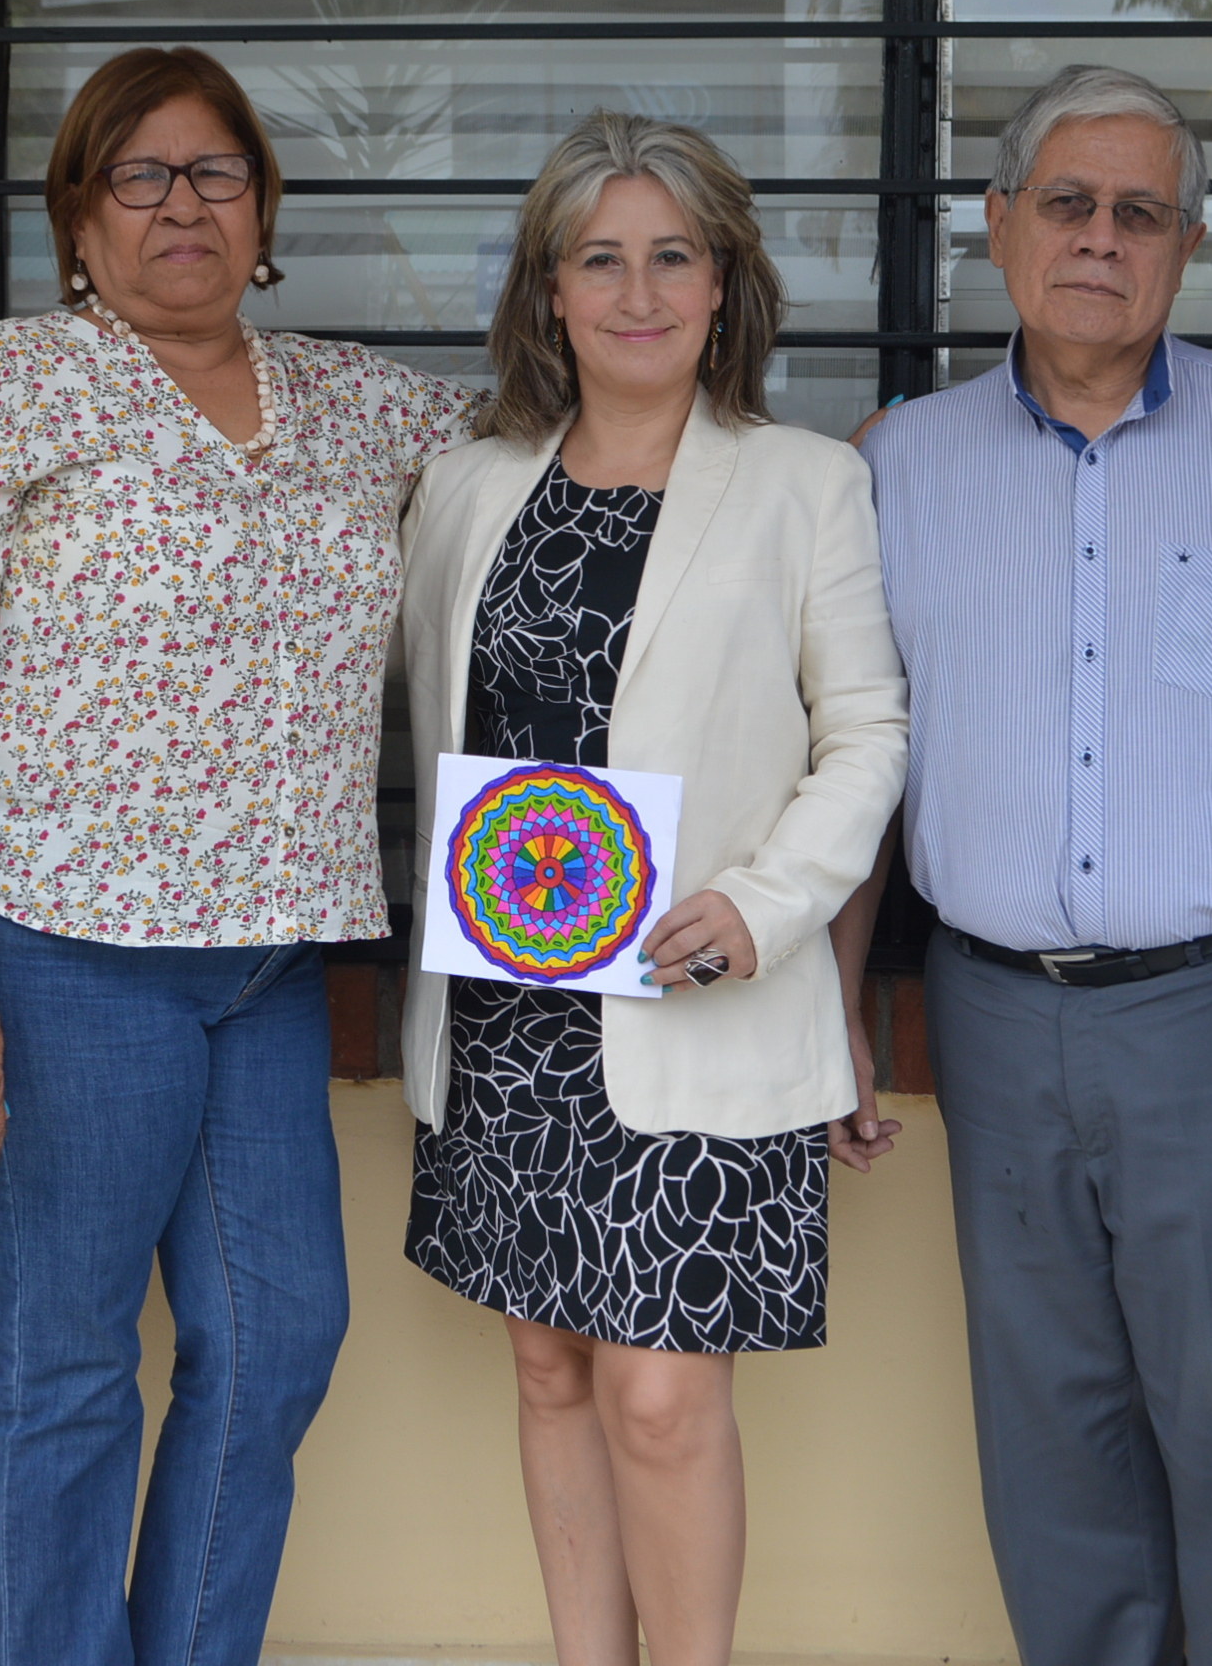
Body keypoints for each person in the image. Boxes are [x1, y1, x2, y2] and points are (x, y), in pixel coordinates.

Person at [0, 43, 479, 1666]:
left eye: (214, 172)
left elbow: (567, 453)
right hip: (66, 960)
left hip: (267, 966)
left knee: (276, 1347)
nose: (180, 203)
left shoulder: (355, 402)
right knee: (62, 1368)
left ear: (263, 208)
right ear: (80, 216)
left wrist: (811, 458)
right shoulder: (9, 387)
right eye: (138, 175)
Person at [397, 111, 907, 1666]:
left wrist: (770, 903)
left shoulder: (804, 484)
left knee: (664, 1393)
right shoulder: (466, 484)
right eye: (598, 258)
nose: (636, 291)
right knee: (552, 1372)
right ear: (549, 291)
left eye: (671, 257)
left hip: (703, 999)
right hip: (506, 1011)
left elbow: (870, 732)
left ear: (724, 284)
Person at [856, 64, 1212, 1666]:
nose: (1100, 238)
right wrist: (849, 997)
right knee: (1047, 1416)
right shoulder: (896, 463)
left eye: (1142, 212)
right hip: (994, 1011)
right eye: (1066, 203)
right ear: (999, 228)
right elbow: (861, 755)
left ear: (1187, 247)